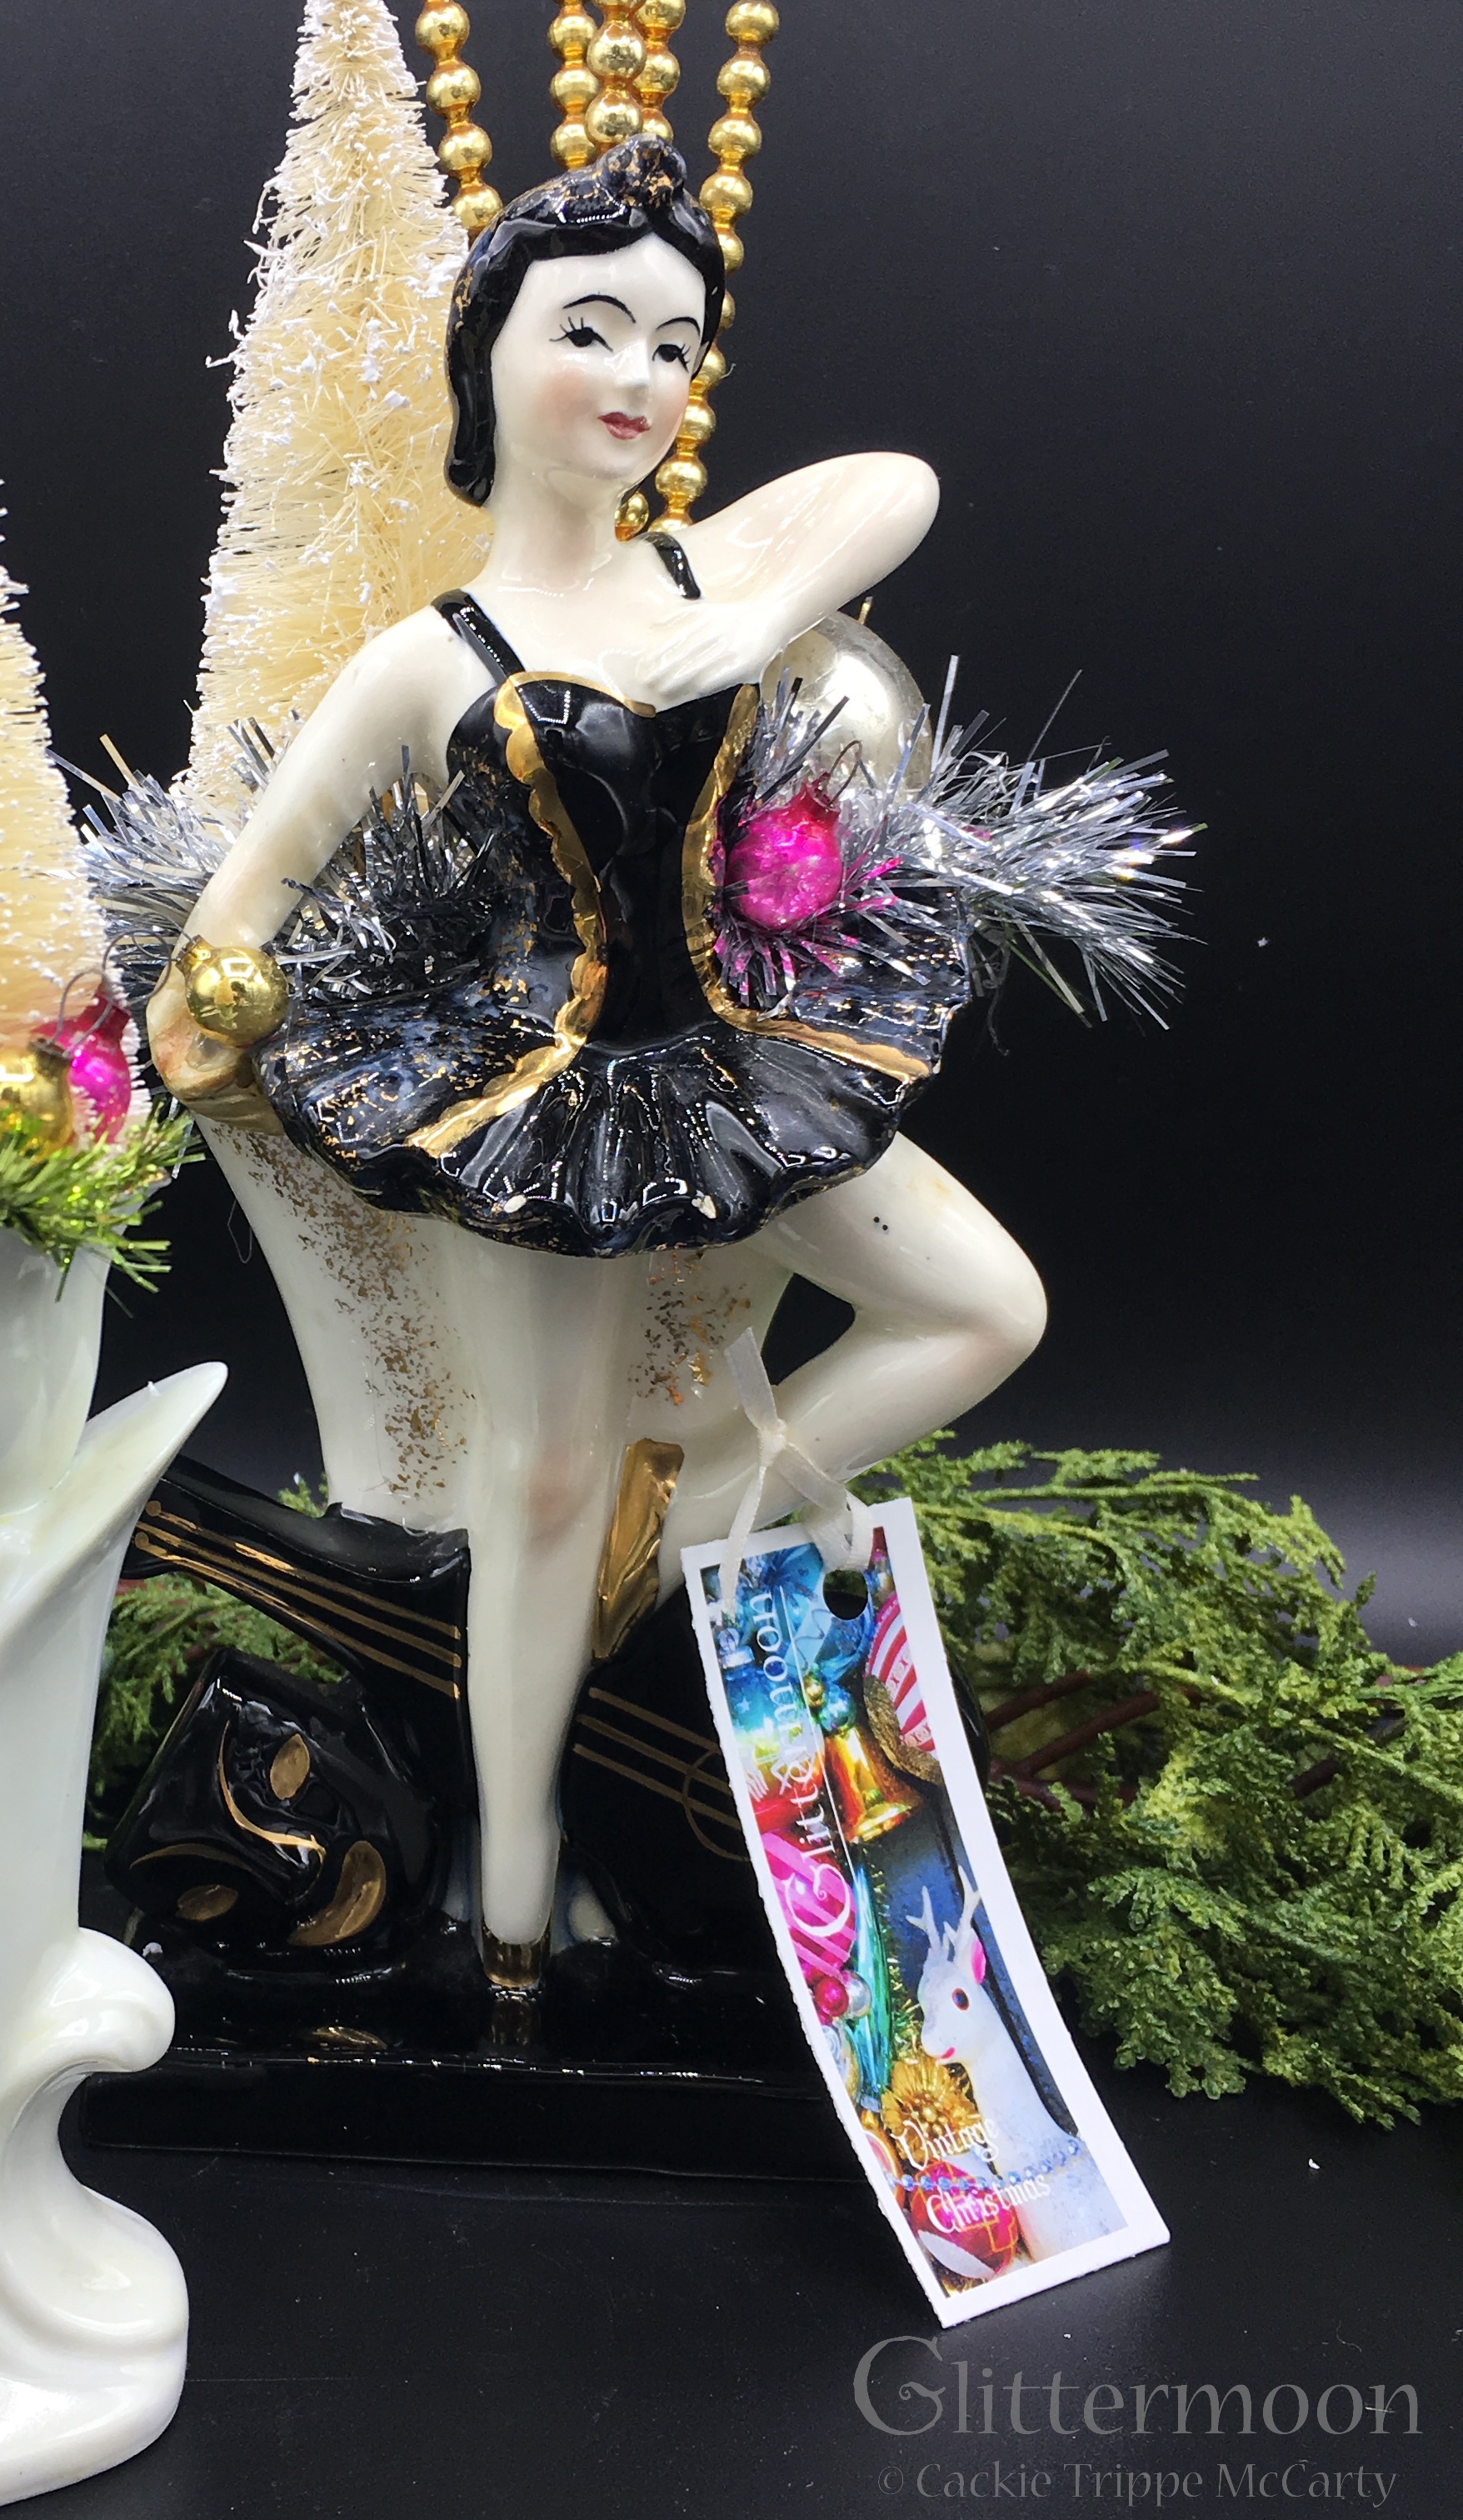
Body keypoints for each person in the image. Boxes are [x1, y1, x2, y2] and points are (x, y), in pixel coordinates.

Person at [143, 138, 1044, 1982]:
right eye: (590, 331)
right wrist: (193, 1025)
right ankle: (515, 1864)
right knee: (539, 1480)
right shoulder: (427, 658)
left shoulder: (701, 571)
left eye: (675, 344)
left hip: (733, 1061)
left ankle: (691, 1532)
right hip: (536, 1100)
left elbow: (900, 484)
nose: (639, 378)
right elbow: (258, 891)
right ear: (487, 358)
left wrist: (760, 621)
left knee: (982, 1307)